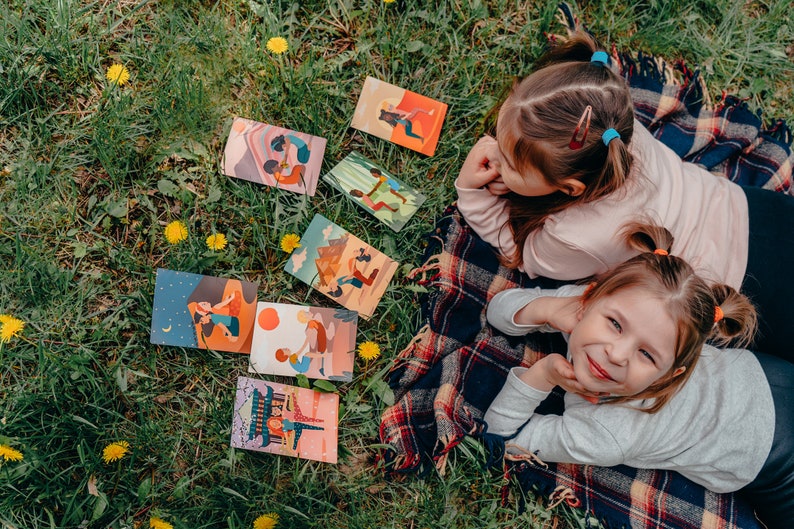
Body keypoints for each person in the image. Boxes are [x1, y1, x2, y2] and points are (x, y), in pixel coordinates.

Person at [455, 30, 794, 360]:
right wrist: (517, 177)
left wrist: (473, 194)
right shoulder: (610, 125)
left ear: (570, 188)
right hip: (760, 211)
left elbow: (521, 253)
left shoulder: (573, 237)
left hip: (751, 293)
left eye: (510, 163)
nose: (494, 154)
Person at [482, 224, 793, 529]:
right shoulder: (589, 305)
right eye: (615, 325)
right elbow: (497, 310)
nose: (616, 354)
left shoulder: (612, 431)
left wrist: (544, 373)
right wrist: (548, 308)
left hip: (779, 461)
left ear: (667, 376)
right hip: (764, 371)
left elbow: (499, 439)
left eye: (647, 354)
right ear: (589, 298)